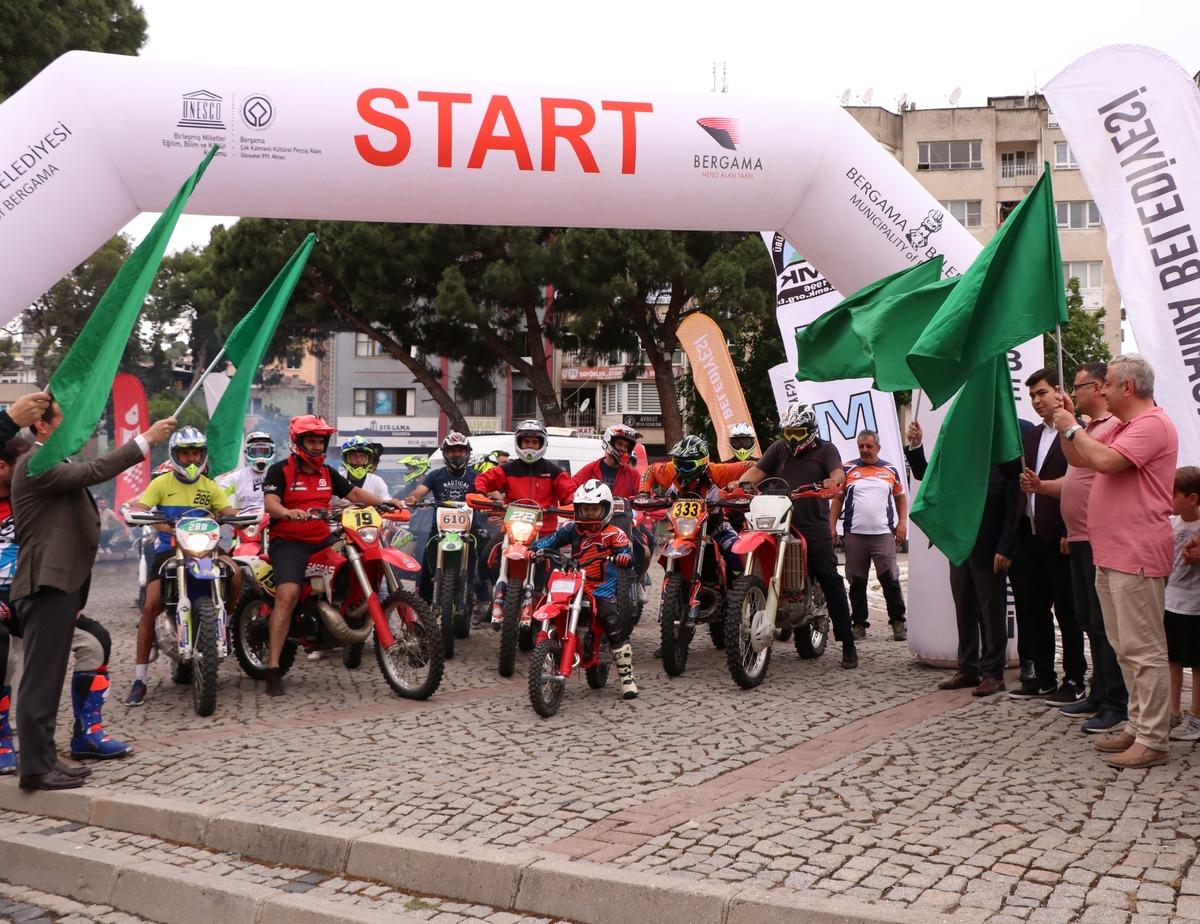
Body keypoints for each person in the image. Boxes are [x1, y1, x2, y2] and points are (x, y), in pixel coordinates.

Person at [11, 400, 173, 790]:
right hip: (47, 583)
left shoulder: (52, 460)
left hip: (60, 583)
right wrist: (146, 440)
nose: (76, 430)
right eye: (65, 422)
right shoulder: (36, 462)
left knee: (49, 679)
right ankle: (34, 767)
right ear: (41, 426)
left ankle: (46, 758)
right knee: (40, 678)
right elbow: (97, 470)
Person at [1052, 354, 1177, 770]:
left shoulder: (1152, 424)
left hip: (1136, 553)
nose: (1100, 390)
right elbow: (1080, 460)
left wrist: (1070, 426)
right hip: (1113, 553)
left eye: (1107, 383)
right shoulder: (1123, 426)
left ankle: (1153, 738)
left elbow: (1104, 462)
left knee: (1144, 650)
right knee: (1125, 648)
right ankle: (1138, 725)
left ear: (1127, 387)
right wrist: (1073, 425)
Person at [0, 436, 133, 773]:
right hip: (13, 603)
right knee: (4, 652)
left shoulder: (44, 495)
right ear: (4, 466)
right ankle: (4, 738)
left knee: (95, 640)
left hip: (39, 596)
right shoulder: (33, 480)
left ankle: (87, 732)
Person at [1022, 363, 1128, 733]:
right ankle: (1100, 693)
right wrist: (1041, 488)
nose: (1075, 392)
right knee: (1088, 620)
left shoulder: (1113, 426)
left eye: (1080, 386)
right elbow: (1075, 477)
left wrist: (1069, 424)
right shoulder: (1088, 429)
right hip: (1081, 535)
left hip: (1100, 537)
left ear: (1099, 388)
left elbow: (1101, 465)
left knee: (1103, 624)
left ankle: (1117, 700)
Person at [260, 415, 391, 696]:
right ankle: (273, 667)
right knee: (288, 594)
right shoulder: (279, 471)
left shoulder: (328, 473)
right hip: (288, 541)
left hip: (322, 539)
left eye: (321, 441)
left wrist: (386, 502)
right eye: (312, 441)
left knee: (354, 562)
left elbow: (354, 493)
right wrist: (287, 513)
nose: (317, 447)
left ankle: (342, 618)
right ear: (298, 443)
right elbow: (271, 503)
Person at [124, 428, 239, 707]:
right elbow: (142, 505)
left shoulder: (210, 486)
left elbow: (227, 512)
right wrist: (136, 511)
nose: (191, 458)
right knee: (151, 604)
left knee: (237, 573)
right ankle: (140, 679)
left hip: (206, 549)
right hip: (169, 550)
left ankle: (227, 621)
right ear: (175, 455)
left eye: (195, 453)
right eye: (185, 453)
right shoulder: (161, 484)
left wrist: (239, 516)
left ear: (203, 456)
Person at [738, 403, 858, 669]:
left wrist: (833, 481)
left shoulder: (825, 450)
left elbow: (837, 472)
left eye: (798, 432)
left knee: (829, 578)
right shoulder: (778, 449)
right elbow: (757, 472)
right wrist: (739, 483)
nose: (792, 437)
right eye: (788, 432)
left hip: (811, 524)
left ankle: (848, 643)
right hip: (778, 521)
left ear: (811, 431)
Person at [1010, 369, 1085, 704]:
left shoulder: (1076, 432)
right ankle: (1043, 677)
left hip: (1061, 535)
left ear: (1059, 391)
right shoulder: (1031, 436)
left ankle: (1075, 677)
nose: (1037, 401)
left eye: (1041, 393)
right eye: (1031, 396)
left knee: (1068, 612)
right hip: (1030, 536)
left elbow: (1082, 484)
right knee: (1032, 607)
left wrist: (1071, 529)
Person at [530, 480, 638, 699]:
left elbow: (626, 550)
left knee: (613, 623)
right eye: (585, 509)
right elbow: (550, 540)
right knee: (546, 605)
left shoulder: (615, 533)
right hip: (572, 583)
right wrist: (534, 549)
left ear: (605, 509)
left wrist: (624, 556)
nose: (589, 514)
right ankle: (548, 651)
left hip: (601, 589)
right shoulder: (571, 529)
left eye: (594, 509)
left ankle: (627, 678)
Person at [938, 459, 1023, 696]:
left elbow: (1012, 509)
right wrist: (916, 448)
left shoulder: (1005, 465)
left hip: (989, 549)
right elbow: (930, 475)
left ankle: (993, 674)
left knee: (991, 611)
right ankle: (968, 669)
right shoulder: (963, 462)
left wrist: (1005, 548)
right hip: (960, 548)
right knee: (963, 609)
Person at [829, 429, 907, 642]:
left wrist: (902, 522)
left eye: (869, 446)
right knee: (856, 581)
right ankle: (859, 624)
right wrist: (832, 526)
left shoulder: (890, 470)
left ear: (878, 448)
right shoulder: (848, 469)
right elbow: (837, 499)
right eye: (861, 446)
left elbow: (900, 498)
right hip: (855, 535)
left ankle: (898, 621)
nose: (865, 450)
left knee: (889, 579)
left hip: (883, 534)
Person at [405, 431, 486, 604]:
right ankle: (425, 601)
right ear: (445, 453)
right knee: (425, 557)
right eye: (452, 451)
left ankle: (486, 597)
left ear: (467, 452)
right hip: (440, 528)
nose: (457, 454)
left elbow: (493, 495)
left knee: (487, 555)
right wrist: (413, 499)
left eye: (460, 450)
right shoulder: (435, 475)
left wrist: (496, 502)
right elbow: (419, 492)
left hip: (471, 527)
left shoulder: (476, 477)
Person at [574, 425, 650, 577]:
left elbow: (644, 494)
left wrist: (644, 505)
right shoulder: (591, 469)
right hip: (594, 523)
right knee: (572, 542)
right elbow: (571, 488)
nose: (623, 449)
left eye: (626, 446)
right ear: (609, 442)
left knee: (647, 547)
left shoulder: (632, 474)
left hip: (625, 522)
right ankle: (575, 576)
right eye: (619, 444)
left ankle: (639, 578)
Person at [1165, 467, 1200, 741]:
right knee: (1172, 660)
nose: (1168, 499)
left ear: (1192, 498)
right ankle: (1173, 712)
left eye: (1173, 494)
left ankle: (1196, 716)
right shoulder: (1173, 523)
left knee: (1196, 663)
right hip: (1170, 601)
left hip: (1194, 605)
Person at [216, 431, 276, 513]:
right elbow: (216, 497)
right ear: (247, 452)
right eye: (256, 452)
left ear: (272, 451)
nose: (260, 455)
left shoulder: (278, 474)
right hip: (244, 523)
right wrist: (230, 512)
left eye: (264, 452)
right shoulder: (236, 477)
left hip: (272, 522)